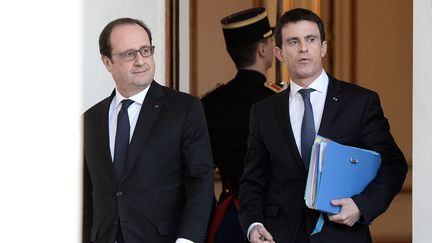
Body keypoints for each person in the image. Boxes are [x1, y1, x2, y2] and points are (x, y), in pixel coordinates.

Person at [238, 8, 407, 243]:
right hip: (281, 235)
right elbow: (252, 181)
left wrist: (361, 205)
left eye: (311, 39)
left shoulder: (360, 102)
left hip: (343, 235)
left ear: (323, 47)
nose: (303, 48)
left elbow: (394, 165)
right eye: (293, 41)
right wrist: (253, 225)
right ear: (279, 53)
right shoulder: (263, 112)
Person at [83, 18, 214, 243]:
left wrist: (187, 239)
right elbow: (86, 193)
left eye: (146, 50)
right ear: (107, 62)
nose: (141, 61)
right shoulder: (90, 120)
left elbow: (200, 182)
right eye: (129, 54)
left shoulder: (184, 109)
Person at [202, 8, 280, 243]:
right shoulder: (277, 101)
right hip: (270, 217)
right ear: (262, 49)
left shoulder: (209, 103)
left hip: (227, 215)